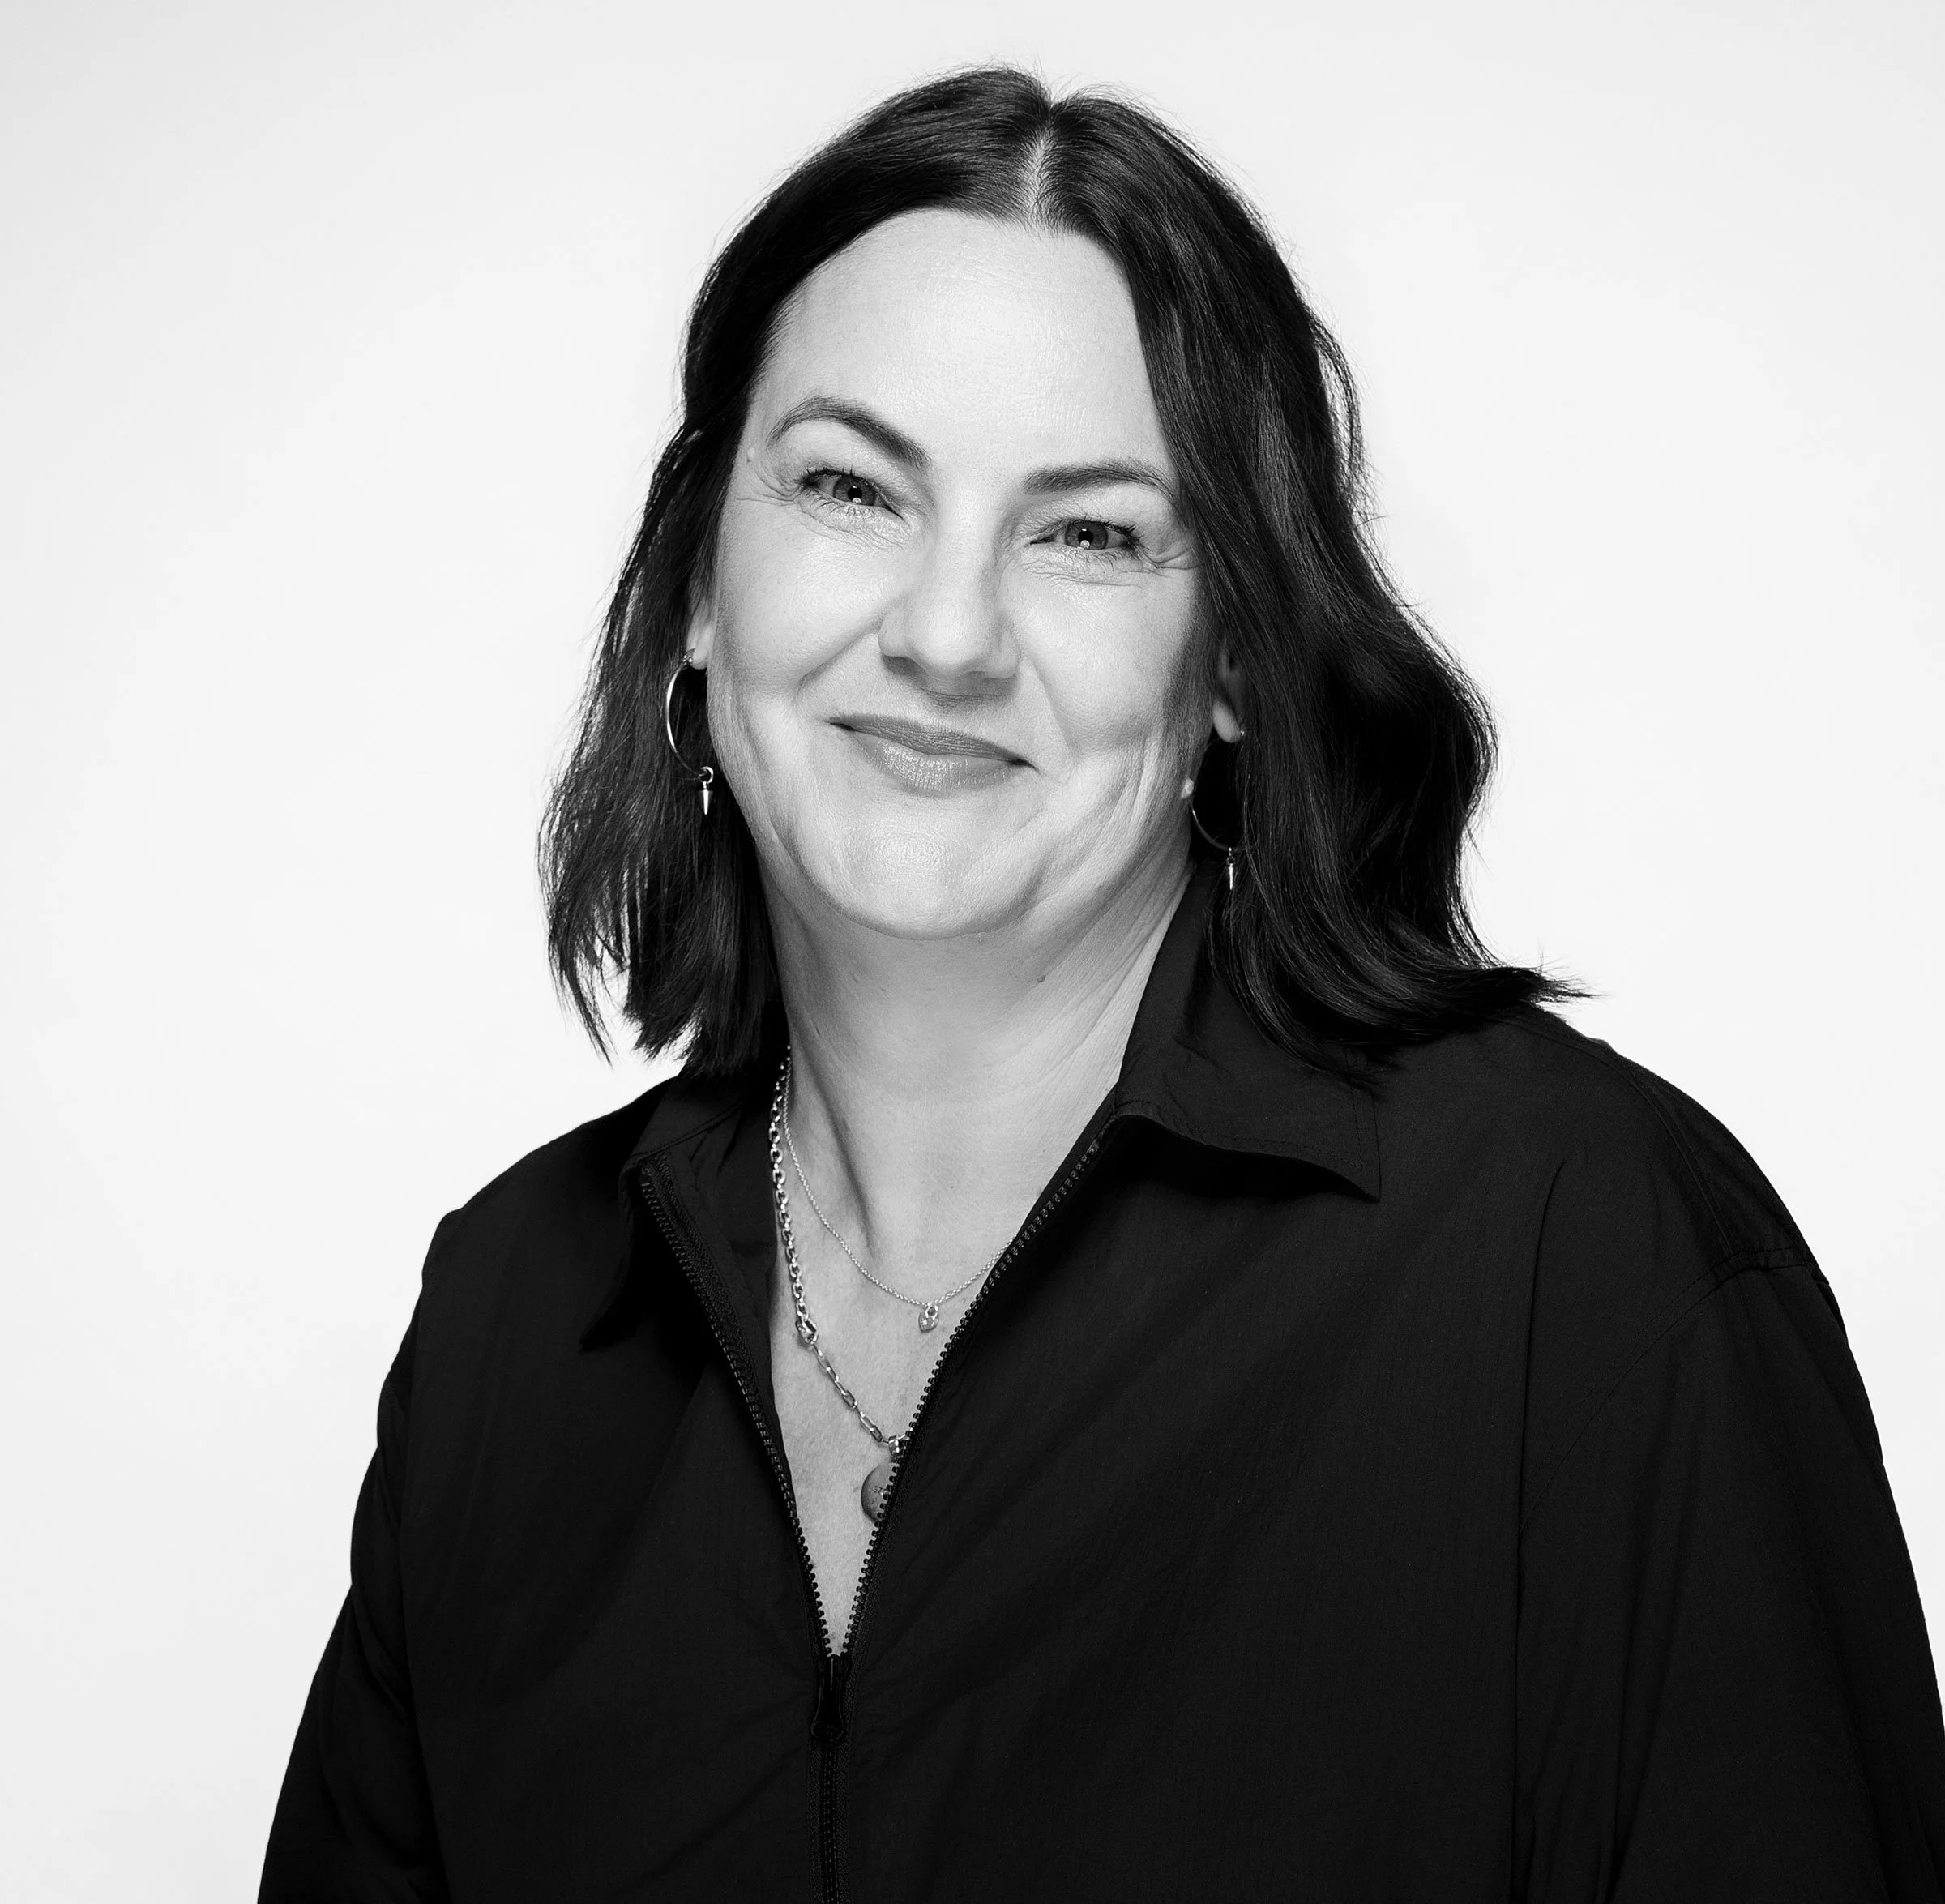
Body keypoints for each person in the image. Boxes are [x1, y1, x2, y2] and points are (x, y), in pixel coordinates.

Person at [260, 67, 1945, 1902]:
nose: (947, 634)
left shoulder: (1586, 1260)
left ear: (1232, 663)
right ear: (696, 582)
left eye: (1088, 533)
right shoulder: (513, 1320)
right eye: (848, 487)